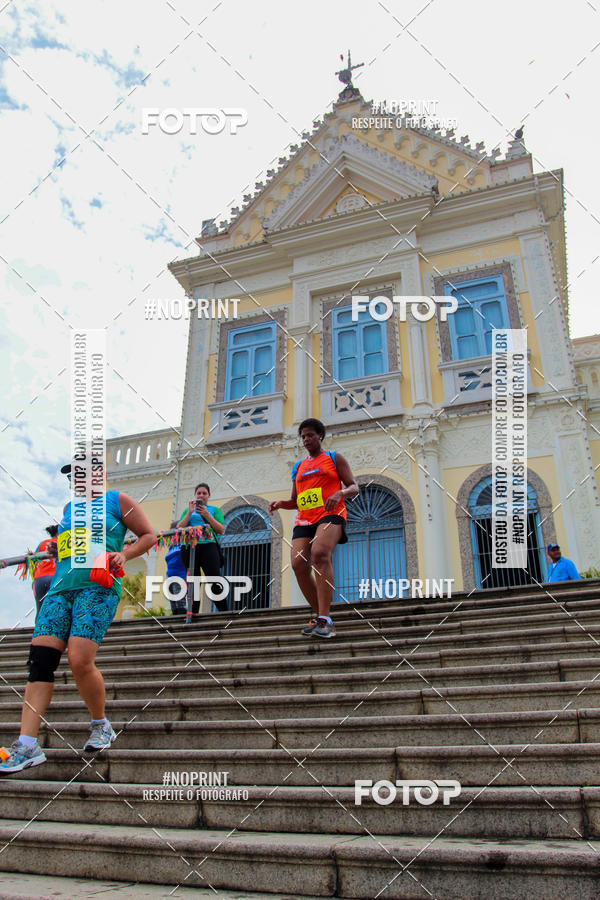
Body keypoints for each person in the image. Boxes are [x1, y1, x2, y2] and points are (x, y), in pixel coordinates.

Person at [0, 474, 155, 775]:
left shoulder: (117, 500)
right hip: (60, 588)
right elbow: (70, 548)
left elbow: (149, 536)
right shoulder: (69, 508)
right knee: (40, 662)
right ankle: (27, 744)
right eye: (74, 475)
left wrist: (124, 553)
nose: (77, 479)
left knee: (80, 660)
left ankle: (101, 725)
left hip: (98, 586)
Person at [269, 418, 359, 639]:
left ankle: (326, 618)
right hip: (305, 519)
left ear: (320, 435)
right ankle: (321, 616)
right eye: (303, 436)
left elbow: (354, 486)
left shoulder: (333, 457)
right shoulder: (298, 467)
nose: (306, 439)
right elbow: (296, 500)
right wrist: (282, 504)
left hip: (331, 513)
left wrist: (340, 493)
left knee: (319, 554)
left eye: (310, 435)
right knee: (298, 564)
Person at [177, 483, 226, 623]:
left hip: (208, 547)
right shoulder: (188, 510)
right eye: (199, 493)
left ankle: (224, 612)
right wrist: (189, 512)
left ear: (208, 496)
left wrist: (206, 514)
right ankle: (192, 614)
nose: (201, 495)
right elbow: (179, 528)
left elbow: (220, 529)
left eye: (204, 493)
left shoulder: (214, 510)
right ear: (195, 495)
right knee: (193, 580)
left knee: (214, 578)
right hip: (189, 547)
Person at [32, 525, 59, 621]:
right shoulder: (62, 543)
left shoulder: (42, 544)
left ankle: (38, 631)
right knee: (56, 606)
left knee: (40, 608)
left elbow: (34, 561)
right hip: (55, 577)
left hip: (39, 579)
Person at [165, 520, 187, 616]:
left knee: (180, 601)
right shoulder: (171, 546)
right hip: (170, 576)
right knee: (173, 602)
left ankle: (181, 619)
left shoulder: (184, 544)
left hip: (180, 575)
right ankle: (175, 618)